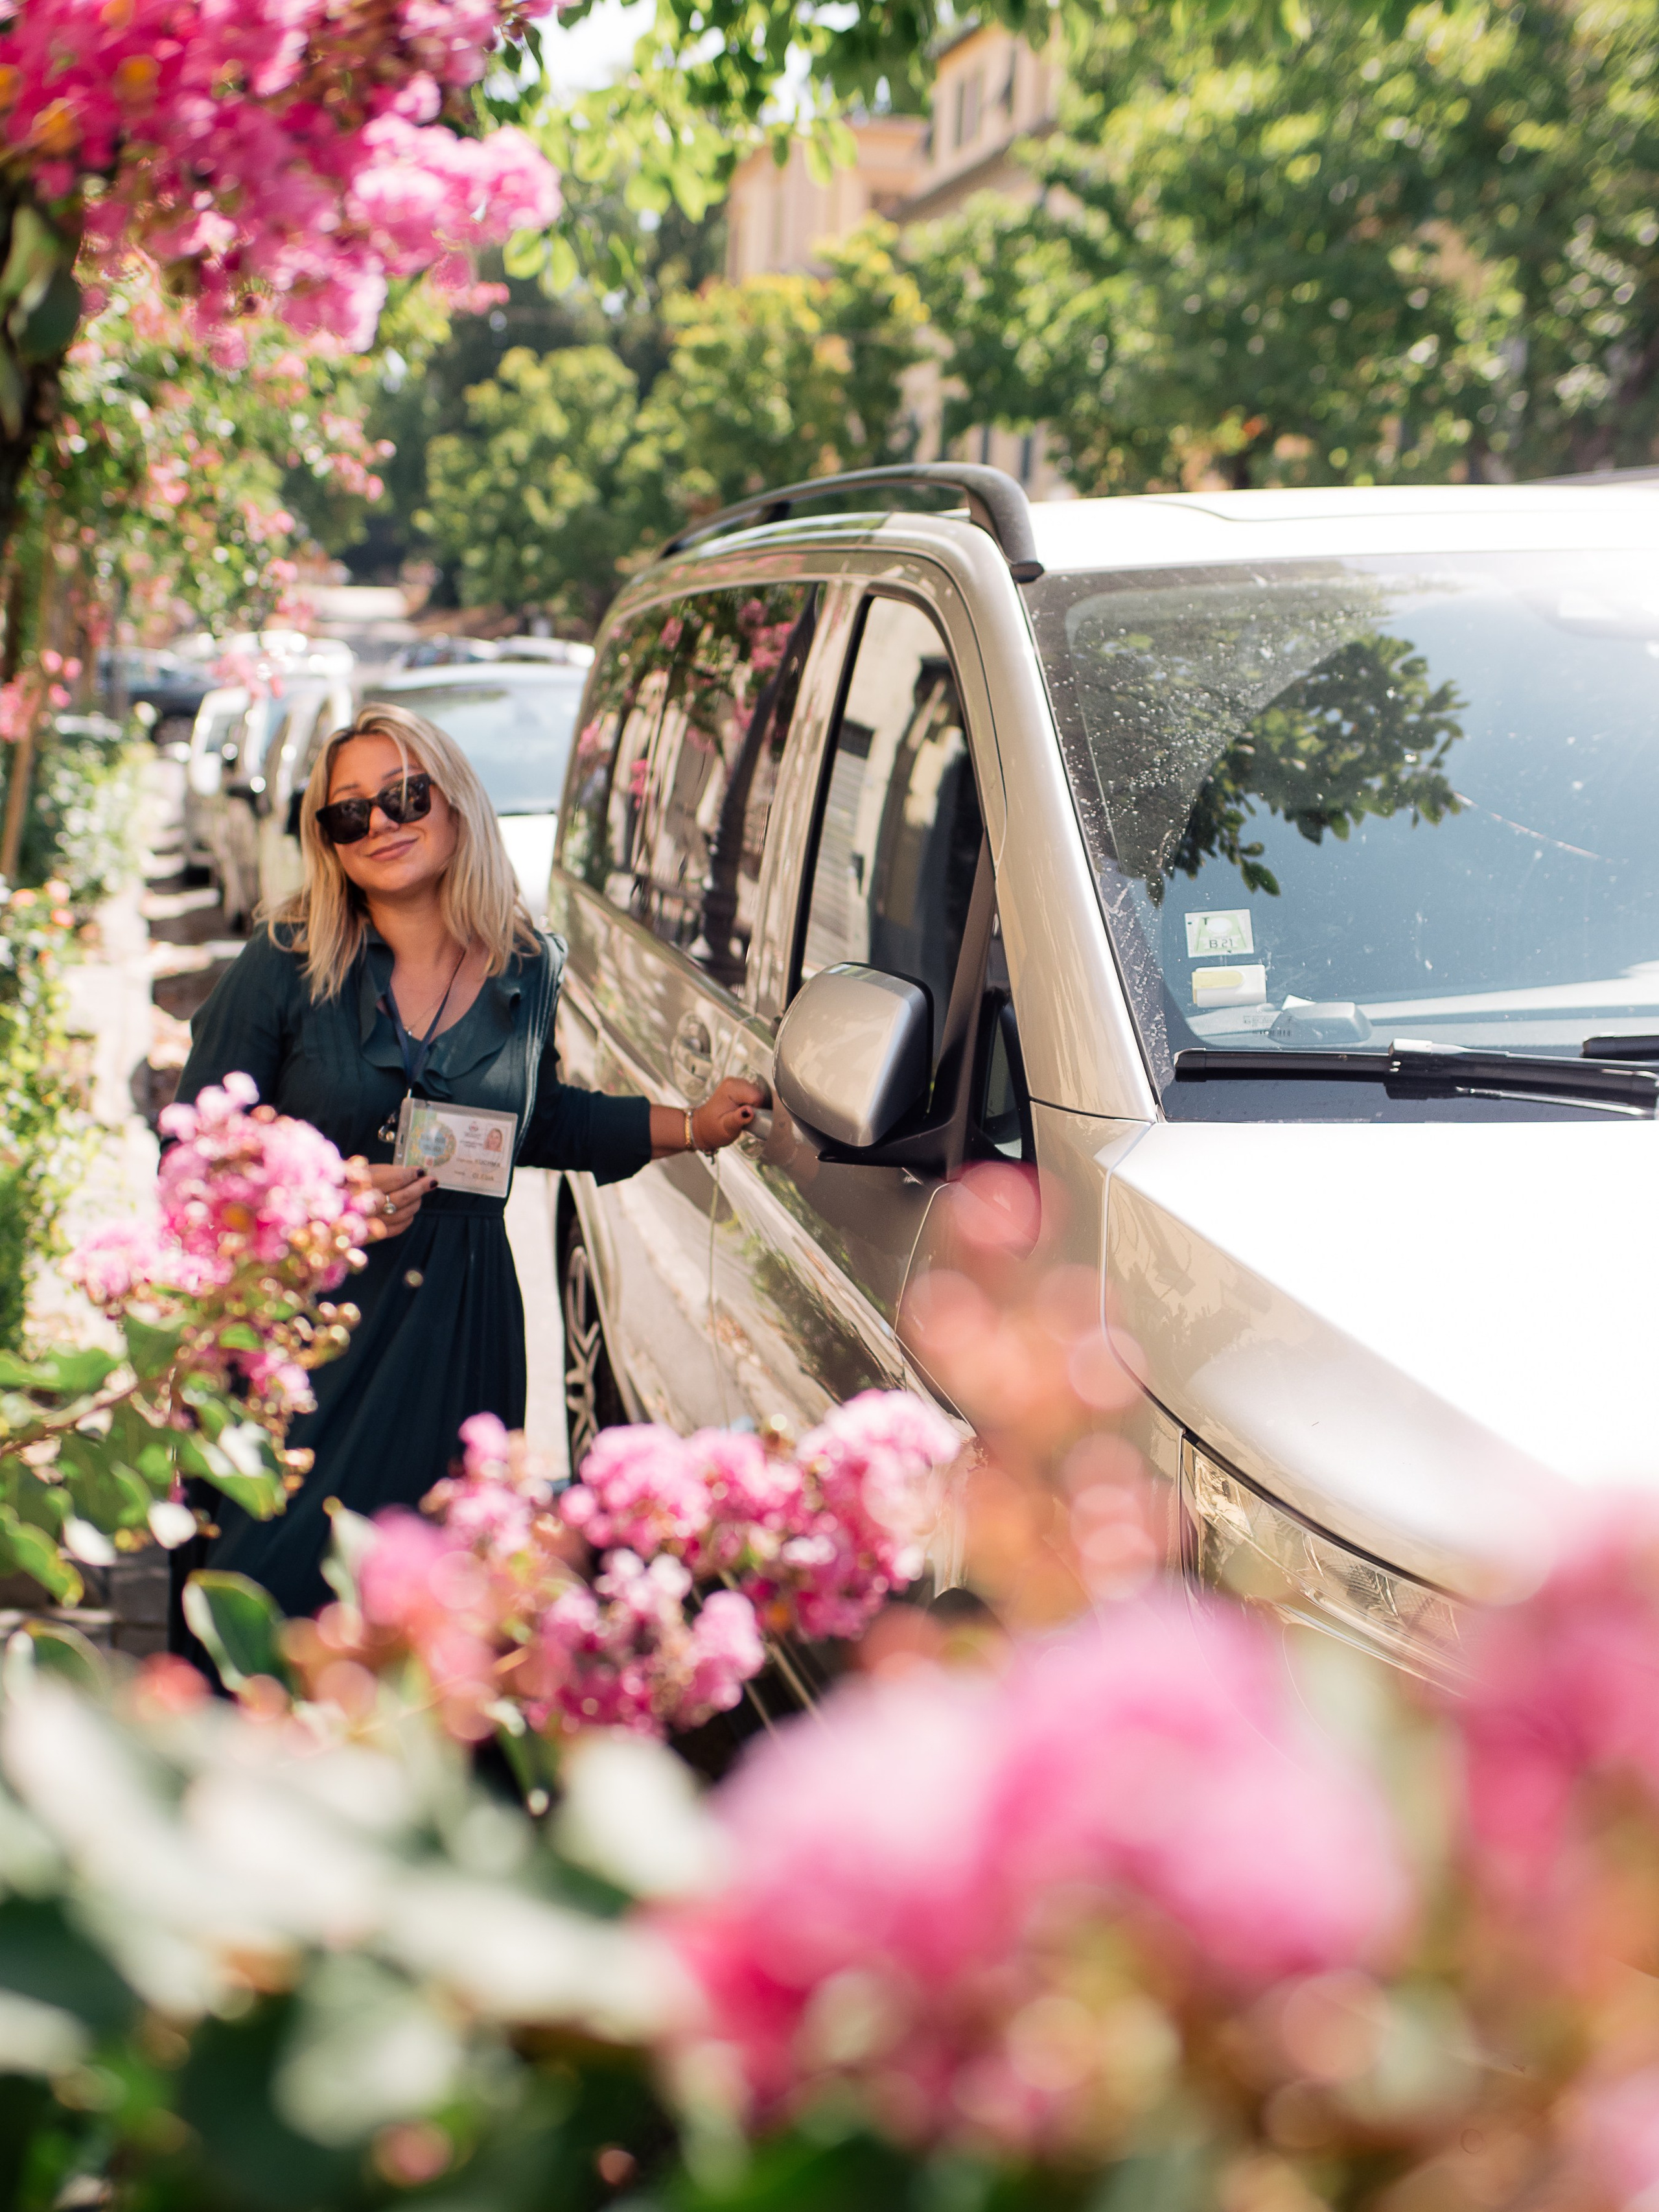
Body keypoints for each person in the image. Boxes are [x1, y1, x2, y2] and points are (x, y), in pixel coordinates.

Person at [168, 702, 761, 1627]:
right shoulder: (280, 966)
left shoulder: (529, 965)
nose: (381, 824)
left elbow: (538, 1120)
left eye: (405, 795)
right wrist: (328, 1190)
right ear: (327, 841)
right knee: (274, 1577)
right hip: (307, 1329)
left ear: (456, 806)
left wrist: (692, 1124)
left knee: (432, 1604)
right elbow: (189, 1153)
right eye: (348, 812)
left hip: (460, 1326)